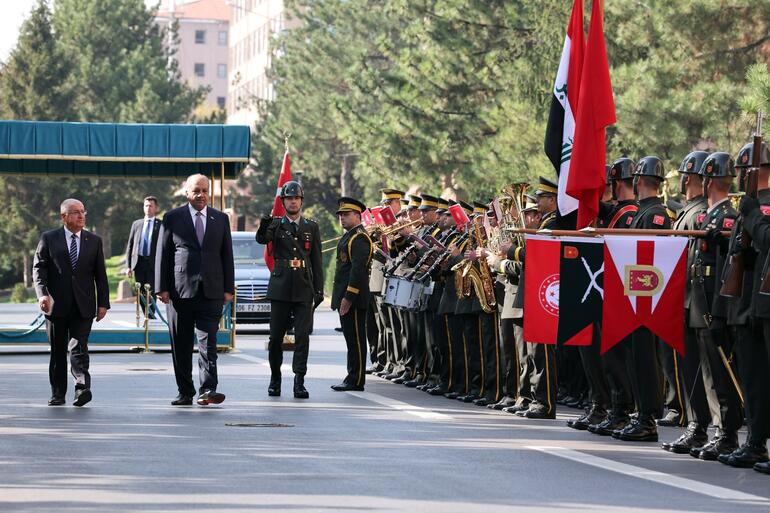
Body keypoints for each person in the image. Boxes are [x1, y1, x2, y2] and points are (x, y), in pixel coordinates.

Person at [156, 174, 234, 406]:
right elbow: (163, 254)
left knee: (208, 343)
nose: (201, 195)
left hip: (211, 291)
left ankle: (208, 389)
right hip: (180, 291)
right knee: (180, 344)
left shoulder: (220, 218)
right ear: (187, 193)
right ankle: (185, 392)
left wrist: (228, 288)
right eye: (196, 191)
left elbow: (226, 255)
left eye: (204, 190)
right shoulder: (172, 218)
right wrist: (162, 287)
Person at [33, 198, 109, 407]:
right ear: (63, 216)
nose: (81, 216)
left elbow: (100, 276)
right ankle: (58, 393)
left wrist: (103, 303)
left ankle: (82, 388)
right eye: (76, 212)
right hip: (56, 305)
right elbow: (39, 269)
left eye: (83, 211)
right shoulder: (49, 238)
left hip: (83, 305)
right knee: (58, 351)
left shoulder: (94, 241)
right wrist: (42, 294)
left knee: (78, 347)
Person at [256, 181, 324, 399]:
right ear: (283, 201)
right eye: (289, 198)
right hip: (281, 287)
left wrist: (319, 290)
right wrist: (265, 222)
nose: (293, 201)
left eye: (296, 198)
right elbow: (261, 239)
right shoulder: (276, 225)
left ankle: (299, 382)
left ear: (301, 201)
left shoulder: (311, 227)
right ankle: (275, 379)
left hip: (304, 286)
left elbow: (316, 261)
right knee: (276, 338)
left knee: (302, 338)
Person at [331, 197, 374, 391]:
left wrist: (348, 298)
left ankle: (356, 380)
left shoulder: (359, 238)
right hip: (348, 297)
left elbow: (358, 271)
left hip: (354, 299)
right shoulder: (350, 236)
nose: (342, 218)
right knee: (351, 339)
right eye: (340, 214)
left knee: (356, 339)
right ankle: (352, 376)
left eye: (346, 215)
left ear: (358, 216)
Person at [125, 196, 161, 318]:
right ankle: (145, 313)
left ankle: (151, 315)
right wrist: (128, 266)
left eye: (151, 206)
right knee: (140, 290)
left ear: (156, 208)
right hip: (138, 262)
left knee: (151, 291)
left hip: (153, 263)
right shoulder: (136, 224)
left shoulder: (161, 225)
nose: (148, 208)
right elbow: (130, 245)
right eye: (146, 205)